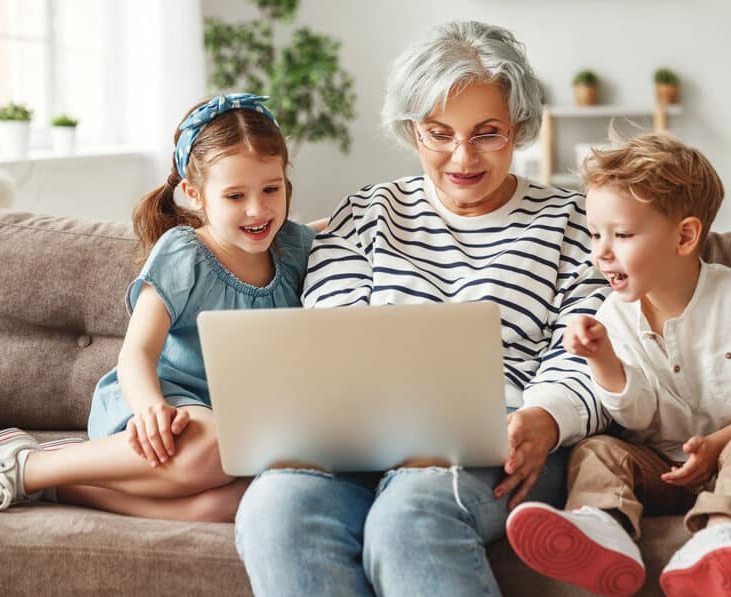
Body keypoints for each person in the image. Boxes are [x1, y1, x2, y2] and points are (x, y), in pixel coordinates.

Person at [234, 21, 611, 596]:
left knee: (410, 514)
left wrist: (547, 418)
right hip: (359, 445)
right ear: (412, 131)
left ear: (520, 129)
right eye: (440, 134)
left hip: (502, 444)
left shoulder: (574, 222)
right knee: (274, 506)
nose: (463, 157)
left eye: (487, 134)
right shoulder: (365, 213)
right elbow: (327, 338)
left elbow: (590, 347)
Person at [0, 93, 316, 522]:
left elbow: (348, 220)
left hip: (226, 428)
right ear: (194, 194)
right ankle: (26, 466)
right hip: (159, 402)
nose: (257, 208)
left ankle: (63, 487)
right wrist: (150, 407)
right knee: (212, 445)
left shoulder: (293, 247)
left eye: (272, 188)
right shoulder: (183, 253)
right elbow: (136, 354)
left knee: (237, 501)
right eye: (234, 195)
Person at [505, 131, 731, 597]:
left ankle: (721, 535)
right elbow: (637, 415)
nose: (600, 252)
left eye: (622, 235)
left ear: (685, 236)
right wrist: (603, 358)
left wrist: (718, 443)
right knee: (596, 451)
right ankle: (604, 529)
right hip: (657, 468)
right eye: (594, 234)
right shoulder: (611, 315)